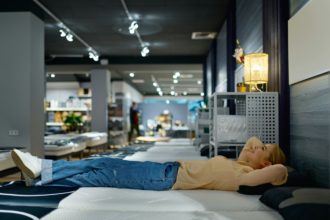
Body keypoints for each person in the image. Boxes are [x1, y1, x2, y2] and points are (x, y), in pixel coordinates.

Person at [11, 136, 288, 191]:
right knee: (98, 174)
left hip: (164, 177)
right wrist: (261, 150)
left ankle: (42, 168)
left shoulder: (243, 176)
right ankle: (39, 175)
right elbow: (251, 140)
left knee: (105, 165)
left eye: (262, 149)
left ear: (264, 166)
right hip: (166, 172)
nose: (255, 145)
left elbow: (278, 172)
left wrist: (280, 167)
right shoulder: (237, 164)